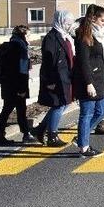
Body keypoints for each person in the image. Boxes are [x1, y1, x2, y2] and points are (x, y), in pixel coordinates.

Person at [72, 4, 104, 157]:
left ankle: (81, 137)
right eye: (103, 21)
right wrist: (88, 83)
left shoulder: (101, 35)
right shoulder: (84, 35)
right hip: (88, 81)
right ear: (93, 18)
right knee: (86, 114)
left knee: (103, 111)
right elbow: (83, 62)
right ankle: (84, 147)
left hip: (100, 80)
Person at [32, 11, 76, 147]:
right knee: (59, 104)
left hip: (67, 76)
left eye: (70, 23)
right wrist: (50, 81)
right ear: (60, 21)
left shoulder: (66, 36)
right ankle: (52, 136)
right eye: (66, 23)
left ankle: (41, 129)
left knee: (64, 103)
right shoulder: (52, 37)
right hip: (56, 78)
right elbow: (49, 62)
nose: (69, 26)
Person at [0, 26, 36, 145]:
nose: (30, 38)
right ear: (22, 36)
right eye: (28, 35)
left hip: (7, 84)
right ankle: (26, 134)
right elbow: (21, 70)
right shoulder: (20, 48)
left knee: (6, 109)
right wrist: (22, 89)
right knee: (21, 110)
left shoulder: (10, 45)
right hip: (17, 85)